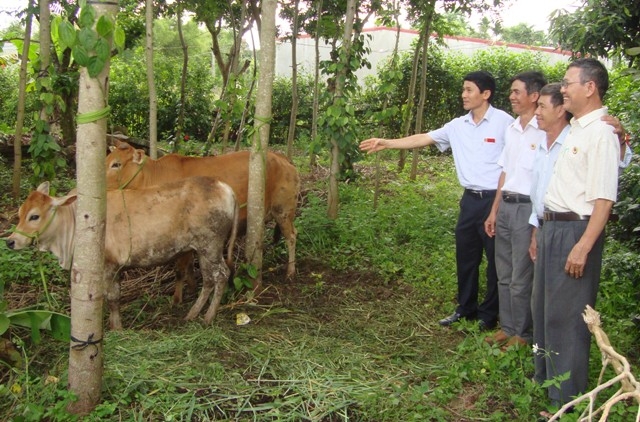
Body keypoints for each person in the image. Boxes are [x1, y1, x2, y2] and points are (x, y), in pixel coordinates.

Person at [359, 70, 514, 330]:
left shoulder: (504, 123)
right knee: (466, 257)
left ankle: (489, 315)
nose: (463, 95)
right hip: (470, 201)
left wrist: (498, 207)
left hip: (495, 200)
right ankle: (465, 309)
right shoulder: (457, 126)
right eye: (463, 89)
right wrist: (387, 142)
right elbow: (424, 138)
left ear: (485, 94)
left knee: (495, 262)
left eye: (469, 90)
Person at [530, 81, 631, 417]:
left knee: (568, 318)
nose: (564, 89)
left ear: (589, 87)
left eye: (569, 83)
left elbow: (604, 198)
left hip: (575, 230)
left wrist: (582, 245)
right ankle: (547, 381)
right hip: (553, 226)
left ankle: (565, 398)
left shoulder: (600, 132)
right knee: (546, 309)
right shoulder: (577, 129)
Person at [483, 71, 547, 349]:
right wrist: (494, 210)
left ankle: (523, 333)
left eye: (517, 92)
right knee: (504, 272)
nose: (511, 97)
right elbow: (505, 172)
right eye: (511, 92)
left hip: (527, 209)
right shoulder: (511, 129)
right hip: (507, 205)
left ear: (534, 96)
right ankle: (508, 327)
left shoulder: (545, 130)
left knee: (522, 276)